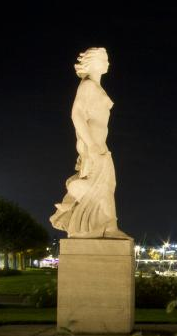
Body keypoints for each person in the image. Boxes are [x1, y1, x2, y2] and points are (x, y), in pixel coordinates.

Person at [50, 47, 130, 239]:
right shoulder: (88, 85)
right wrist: (91, 145)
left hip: (98, 144)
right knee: (103, 186)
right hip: (94, 144)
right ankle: (104, 227)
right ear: (92, 63)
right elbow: (76, 114)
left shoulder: (95, 86)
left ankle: (99, 226)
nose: (108, 63)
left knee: (105, 185)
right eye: (104, 59)